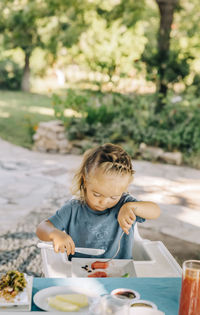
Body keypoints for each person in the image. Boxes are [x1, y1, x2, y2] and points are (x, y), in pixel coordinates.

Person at [36, 143, 160, 259]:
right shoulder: (74, 208)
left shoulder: (125, 203)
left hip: (119, 274)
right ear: (85, 181)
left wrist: (131, 207)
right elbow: (42, 228)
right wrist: (54, 233)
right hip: (79, 274)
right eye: (97, 194)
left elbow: (155, 211)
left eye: (113, 197)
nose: (104, 202)